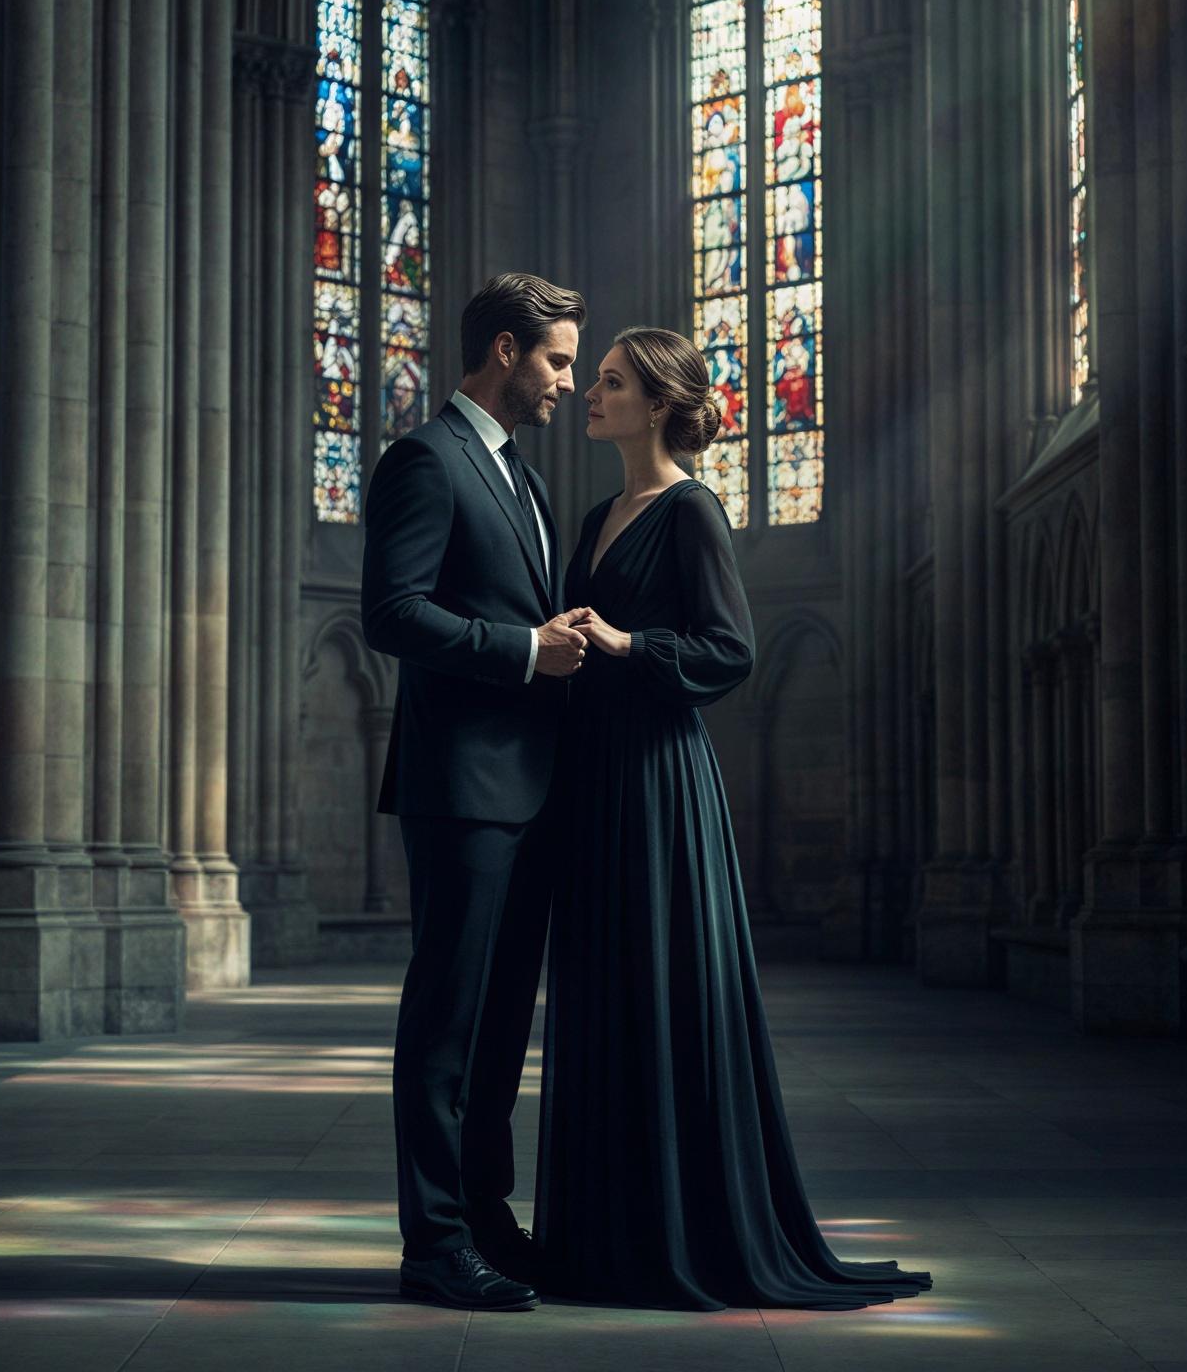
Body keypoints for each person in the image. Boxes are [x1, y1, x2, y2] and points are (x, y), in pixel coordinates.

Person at [534, 326, 934, 1311]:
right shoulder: (595, 515)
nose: (590, 391)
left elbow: (727, 651)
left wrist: (625, 641)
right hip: (592, 779)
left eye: (611, 381)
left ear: (661, 402)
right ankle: (599, 1238)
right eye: (591, 378)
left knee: (662, 991)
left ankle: (678, 1235)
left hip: (659, 785)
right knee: (600, 990)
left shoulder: (691, 510)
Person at [361, 272, 587, 1313]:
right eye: (555, 359)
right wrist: (519, 646)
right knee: (448, 1019)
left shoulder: (520, 475)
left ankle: (486, 1216)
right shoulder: (424, 458)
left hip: (527, 786)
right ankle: (434, 1241)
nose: (566, 381)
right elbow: (392, 612)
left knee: (501, 1024)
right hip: (459, 788)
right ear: (503, 349)